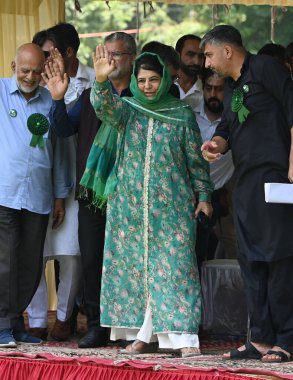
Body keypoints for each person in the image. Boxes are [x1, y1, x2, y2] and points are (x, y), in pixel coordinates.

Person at [83, 47, 213, 356]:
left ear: (166, 79)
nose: (147, 87)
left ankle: (183, 339)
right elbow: (104, 108)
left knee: (177, 271)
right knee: (137, 272)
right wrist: (101, 81)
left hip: (172, 210)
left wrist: (205, 196)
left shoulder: (181, 115)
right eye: (141, 80)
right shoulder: (126, 109)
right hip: (129, 209)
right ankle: (143, 336)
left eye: (154, 80)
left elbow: (196, 162)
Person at [200, 25, 293, 363]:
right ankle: (261, 338)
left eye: (209, 54)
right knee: (251, 260)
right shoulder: (233, 84)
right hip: (247, 182)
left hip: (275, 177)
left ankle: (287, 338)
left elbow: (292, 107)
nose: (207, 62)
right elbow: (227, 126)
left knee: (278, 257)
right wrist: (216, 145)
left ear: (227, 50)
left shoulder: (265, 67)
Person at [44, 32, 137, 348]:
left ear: (132, 58)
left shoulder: (145, 94)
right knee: (93, 260)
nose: (109, 61)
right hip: (93, 194)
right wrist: (57, 98)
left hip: (132, 193)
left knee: (130, 261)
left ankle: (129, 327)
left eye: (117, 54)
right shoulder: (86, 98)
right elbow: (61, 129)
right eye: (104, 54)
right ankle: (97, 324)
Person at [27, 23, 95, 342]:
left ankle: (65, 317)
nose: (42, 62)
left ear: (68, 53)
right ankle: (39, 318)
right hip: (40, 180)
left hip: (81, 181)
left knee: (71, 253)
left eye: (48, 54)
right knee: (35, 252)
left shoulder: (94, 82)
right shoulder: (31, 85)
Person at [0, 43, 70, 347]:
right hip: (5, 193)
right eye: (25, 70)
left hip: (39, 196)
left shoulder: (50, 98)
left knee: (30, 265)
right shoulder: (1, 92)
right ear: (14, 67)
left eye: (36, 71)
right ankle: (2, 324)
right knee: (5, 262)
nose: (30, 76)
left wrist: (58, 196)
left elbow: (60, 150)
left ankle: (15, 324)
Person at [194, 68, 235, 269]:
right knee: (196, 252)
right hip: (194, 194)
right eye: (208, 88)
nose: (212, 94)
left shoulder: (235, 118)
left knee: (234, 248)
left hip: (225, 191)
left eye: (219, 89)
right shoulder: (189, 113)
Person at [175, 34, 204, 107]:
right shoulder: (165, 87)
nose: (197, 62)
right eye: (191, 55)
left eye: (201, 56)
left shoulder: (208, 90)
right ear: (177, 55)